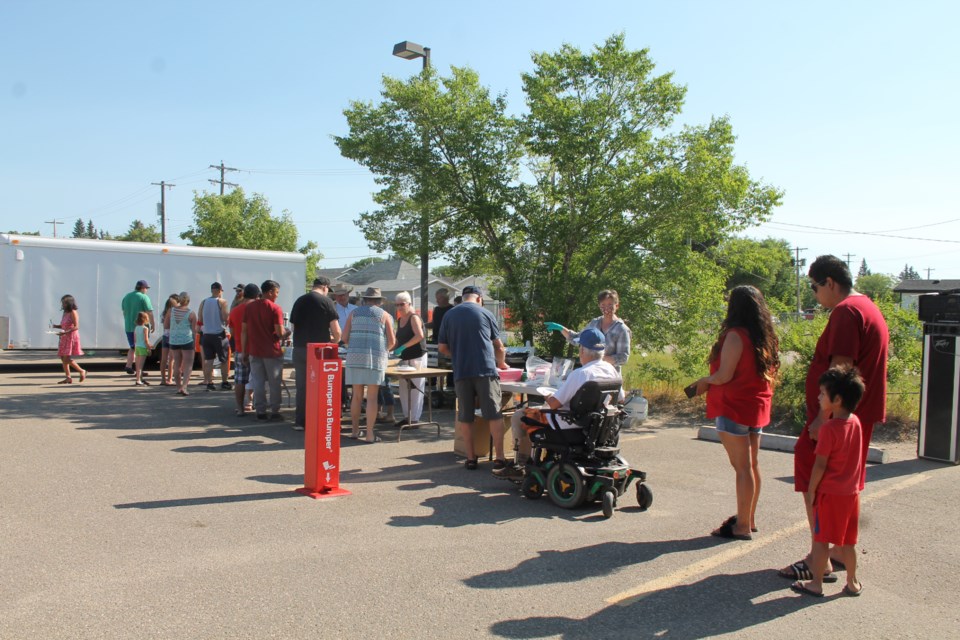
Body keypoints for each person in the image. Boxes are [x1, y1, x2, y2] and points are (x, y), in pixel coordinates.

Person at [779, 255, 889, 583]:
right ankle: (839, 550)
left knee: (816, 476)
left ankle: (820, 557)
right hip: (854, 419)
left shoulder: (845, 312)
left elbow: (840, 370)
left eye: (814, 287)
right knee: (842, 486)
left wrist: (822, 419)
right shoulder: (866, 306)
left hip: (837, 419)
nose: (814, 294)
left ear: (830, 282)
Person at [689, 285, 779, 540]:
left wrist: (704, 380)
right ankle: (748, 518)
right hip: (756, 405)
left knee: (741, 468)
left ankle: (741, 526)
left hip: (734, 405)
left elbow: (724, 375)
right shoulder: (766, 335)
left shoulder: (735, 335)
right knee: (751, 465)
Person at [495, 328, 622, 480]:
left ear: (582, 350)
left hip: (568, 426)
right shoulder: (611, 370)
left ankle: (522, 464)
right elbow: (620, 398)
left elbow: (554, 404)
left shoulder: (581, 374)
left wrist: (548, 395)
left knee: (519, 416)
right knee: (537, 412)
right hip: (597, 428)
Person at [790, 365, 865, 598]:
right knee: (849, 542)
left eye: (823, 394)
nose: (819, 397)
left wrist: (812, 490)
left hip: (829, 494)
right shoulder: (856, 422)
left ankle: (816, 583)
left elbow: (820, 465)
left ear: (837, 399)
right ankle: (852, 582)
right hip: (850, 494)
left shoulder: (829, 429)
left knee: (821, 540)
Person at [438, 285, 509, 470]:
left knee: (466, 415)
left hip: (461, 371)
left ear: (463, 298)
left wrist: (460, 354)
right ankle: (500, 457)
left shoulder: (449, 315)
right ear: (479, 298)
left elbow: (442, 348)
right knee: (493, 414)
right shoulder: (485, 313)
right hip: (485, 369)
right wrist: (501, 364)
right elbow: (499, 347)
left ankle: (470, 458)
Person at [342, 287, 395, 443]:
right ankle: (370, 434)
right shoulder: (385, 315)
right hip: (375, 358)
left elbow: (344, 338)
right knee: (372, 398)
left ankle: (354, 430)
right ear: (379, 301)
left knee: (356, 396)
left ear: (364, 299)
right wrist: (384, 350)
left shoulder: (354, 313)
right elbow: (392, 341)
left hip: (354, 357)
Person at [289, 277, 342, 430]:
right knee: (320, 386)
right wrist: (335, 341)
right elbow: (336, 330)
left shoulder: (299, 301)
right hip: (319, 350)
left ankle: (301, 421)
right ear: (325, 287)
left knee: (302, 386)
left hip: (299, 348)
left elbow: (293, 327)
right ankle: (317, 420)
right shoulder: (326, 302)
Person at [547, 289, 632, 371]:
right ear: (599, 306)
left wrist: (597, 358)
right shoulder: (594, 323)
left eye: (610, 304)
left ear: (617, 306)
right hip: (590, 373)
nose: (606, 308)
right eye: (603, 304)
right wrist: (561, 328)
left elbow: (623, 358)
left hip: (609, 377)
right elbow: (577, 339)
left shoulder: (622, 329)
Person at [242, 279, 290, 421]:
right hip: (272, 351)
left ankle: (260, 410)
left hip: (254, 350)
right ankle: (275, 410)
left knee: (258, 381)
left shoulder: (249, 308)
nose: (277, 295)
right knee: (274, 382)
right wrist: (287, 333)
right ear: (270, 292)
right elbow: (280, 333)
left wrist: (244, 351)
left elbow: (244, 331)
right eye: (276, 292)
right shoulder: (275, 308)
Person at [392, 291, 427, 428]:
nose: (400, 307)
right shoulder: (400, 319)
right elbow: (397, 340)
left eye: (402, 304)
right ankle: (407, 417)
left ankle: (415, 418)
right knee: (403, 388)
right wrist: (390, 348)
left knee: (416, 388)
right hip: (405, 358)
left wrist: (403, 347)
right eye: (397, 305)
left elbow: (419, 335)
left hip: (417, 356)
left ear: (409, 304)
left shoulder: (414, 317)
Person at [228, 283, 259, 416]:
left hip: (240, 349)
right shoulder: (258, 309)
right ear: (257, 295)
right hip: (257, 349)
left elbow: (233, 333)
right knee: (258, 378)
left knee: (240, 380)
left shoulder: (235, 310)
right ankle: (257, 406)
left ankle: (240, 408)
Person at [198, 282, 232, 392]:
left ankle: (209, 382)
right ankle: (224, 382)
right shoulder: (222, 302)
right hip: (219, 334)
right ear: (220, 290)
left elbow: (200, 319)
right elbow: (225, 317)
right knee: (223, 359)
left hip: (207, 335)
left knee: (208, 360)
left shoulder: (203, 302)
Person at [166, 291, 197, 396]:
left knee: (176, 364)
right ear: (188, 301)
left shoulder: (171, 311)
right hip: (187, 340)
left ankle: (178, 387)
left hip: (174, 340)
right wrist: (195, 344)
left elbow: (166, 325)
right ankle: (184, 387)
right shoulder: (191, 313)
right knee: (188, 364)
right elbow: (194, 330)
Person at [121, 280, 154, 375]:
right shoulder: (144, 297)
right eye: (146, 288)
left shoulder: (127, 296)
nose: (146, 290)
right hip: (141, 328)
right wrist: (152, 324)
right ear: (142, 288)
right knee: (141, 349)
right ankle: (139, 370)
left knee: (133, 347)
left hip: (129, 327)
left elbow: (124, 312)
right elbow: (149, 312)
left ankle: (129, 365)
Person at [333, 284, 357, 412]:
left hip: (354, 344)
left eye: (343, 294)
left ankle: (356, 401)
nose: (341, 297)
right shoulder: (332, 309)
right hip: (338, 343)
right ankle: (342, 400)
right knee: (340, 373)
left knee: (355, 372)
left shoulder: (356, 309)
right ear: (335, 296)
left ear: (348, 295)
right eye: (339, 295)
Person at [54, 294, 86, 384]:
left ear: (69, 303)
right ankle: (68, 377)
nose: (63, 305)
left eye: (64, 303)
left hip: (71, 336)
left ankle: (81, 371)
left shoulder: (73, 312)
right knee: (62, 357)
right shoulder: (65, 312)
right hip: (64, 336)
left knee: (66, 359)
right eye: (62, 303)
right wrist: (56, 326)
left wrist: (65, 332)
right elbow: (64, 325)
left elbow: (76, 326)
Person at [159, 294, 180, 386]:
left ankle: (163, 379)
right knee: (171, 360)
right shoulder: (174, 312)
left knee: (163, 359)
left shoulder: (164, 313)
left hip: (165, 336)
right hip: (173, 336)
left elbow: (164, 325)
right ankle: (170, 379)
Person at [133, 312, 153, 386]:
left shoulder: (136, 328)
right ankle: (138, 380)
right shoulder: (145, 328)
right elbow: (146, 340)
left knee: (137, 365)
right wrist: (149, 348)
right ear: (145, 319)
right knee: (141, 366)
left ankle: (139, 379)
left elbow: (134, 339)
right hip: (143, 348)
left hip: (137, 347)